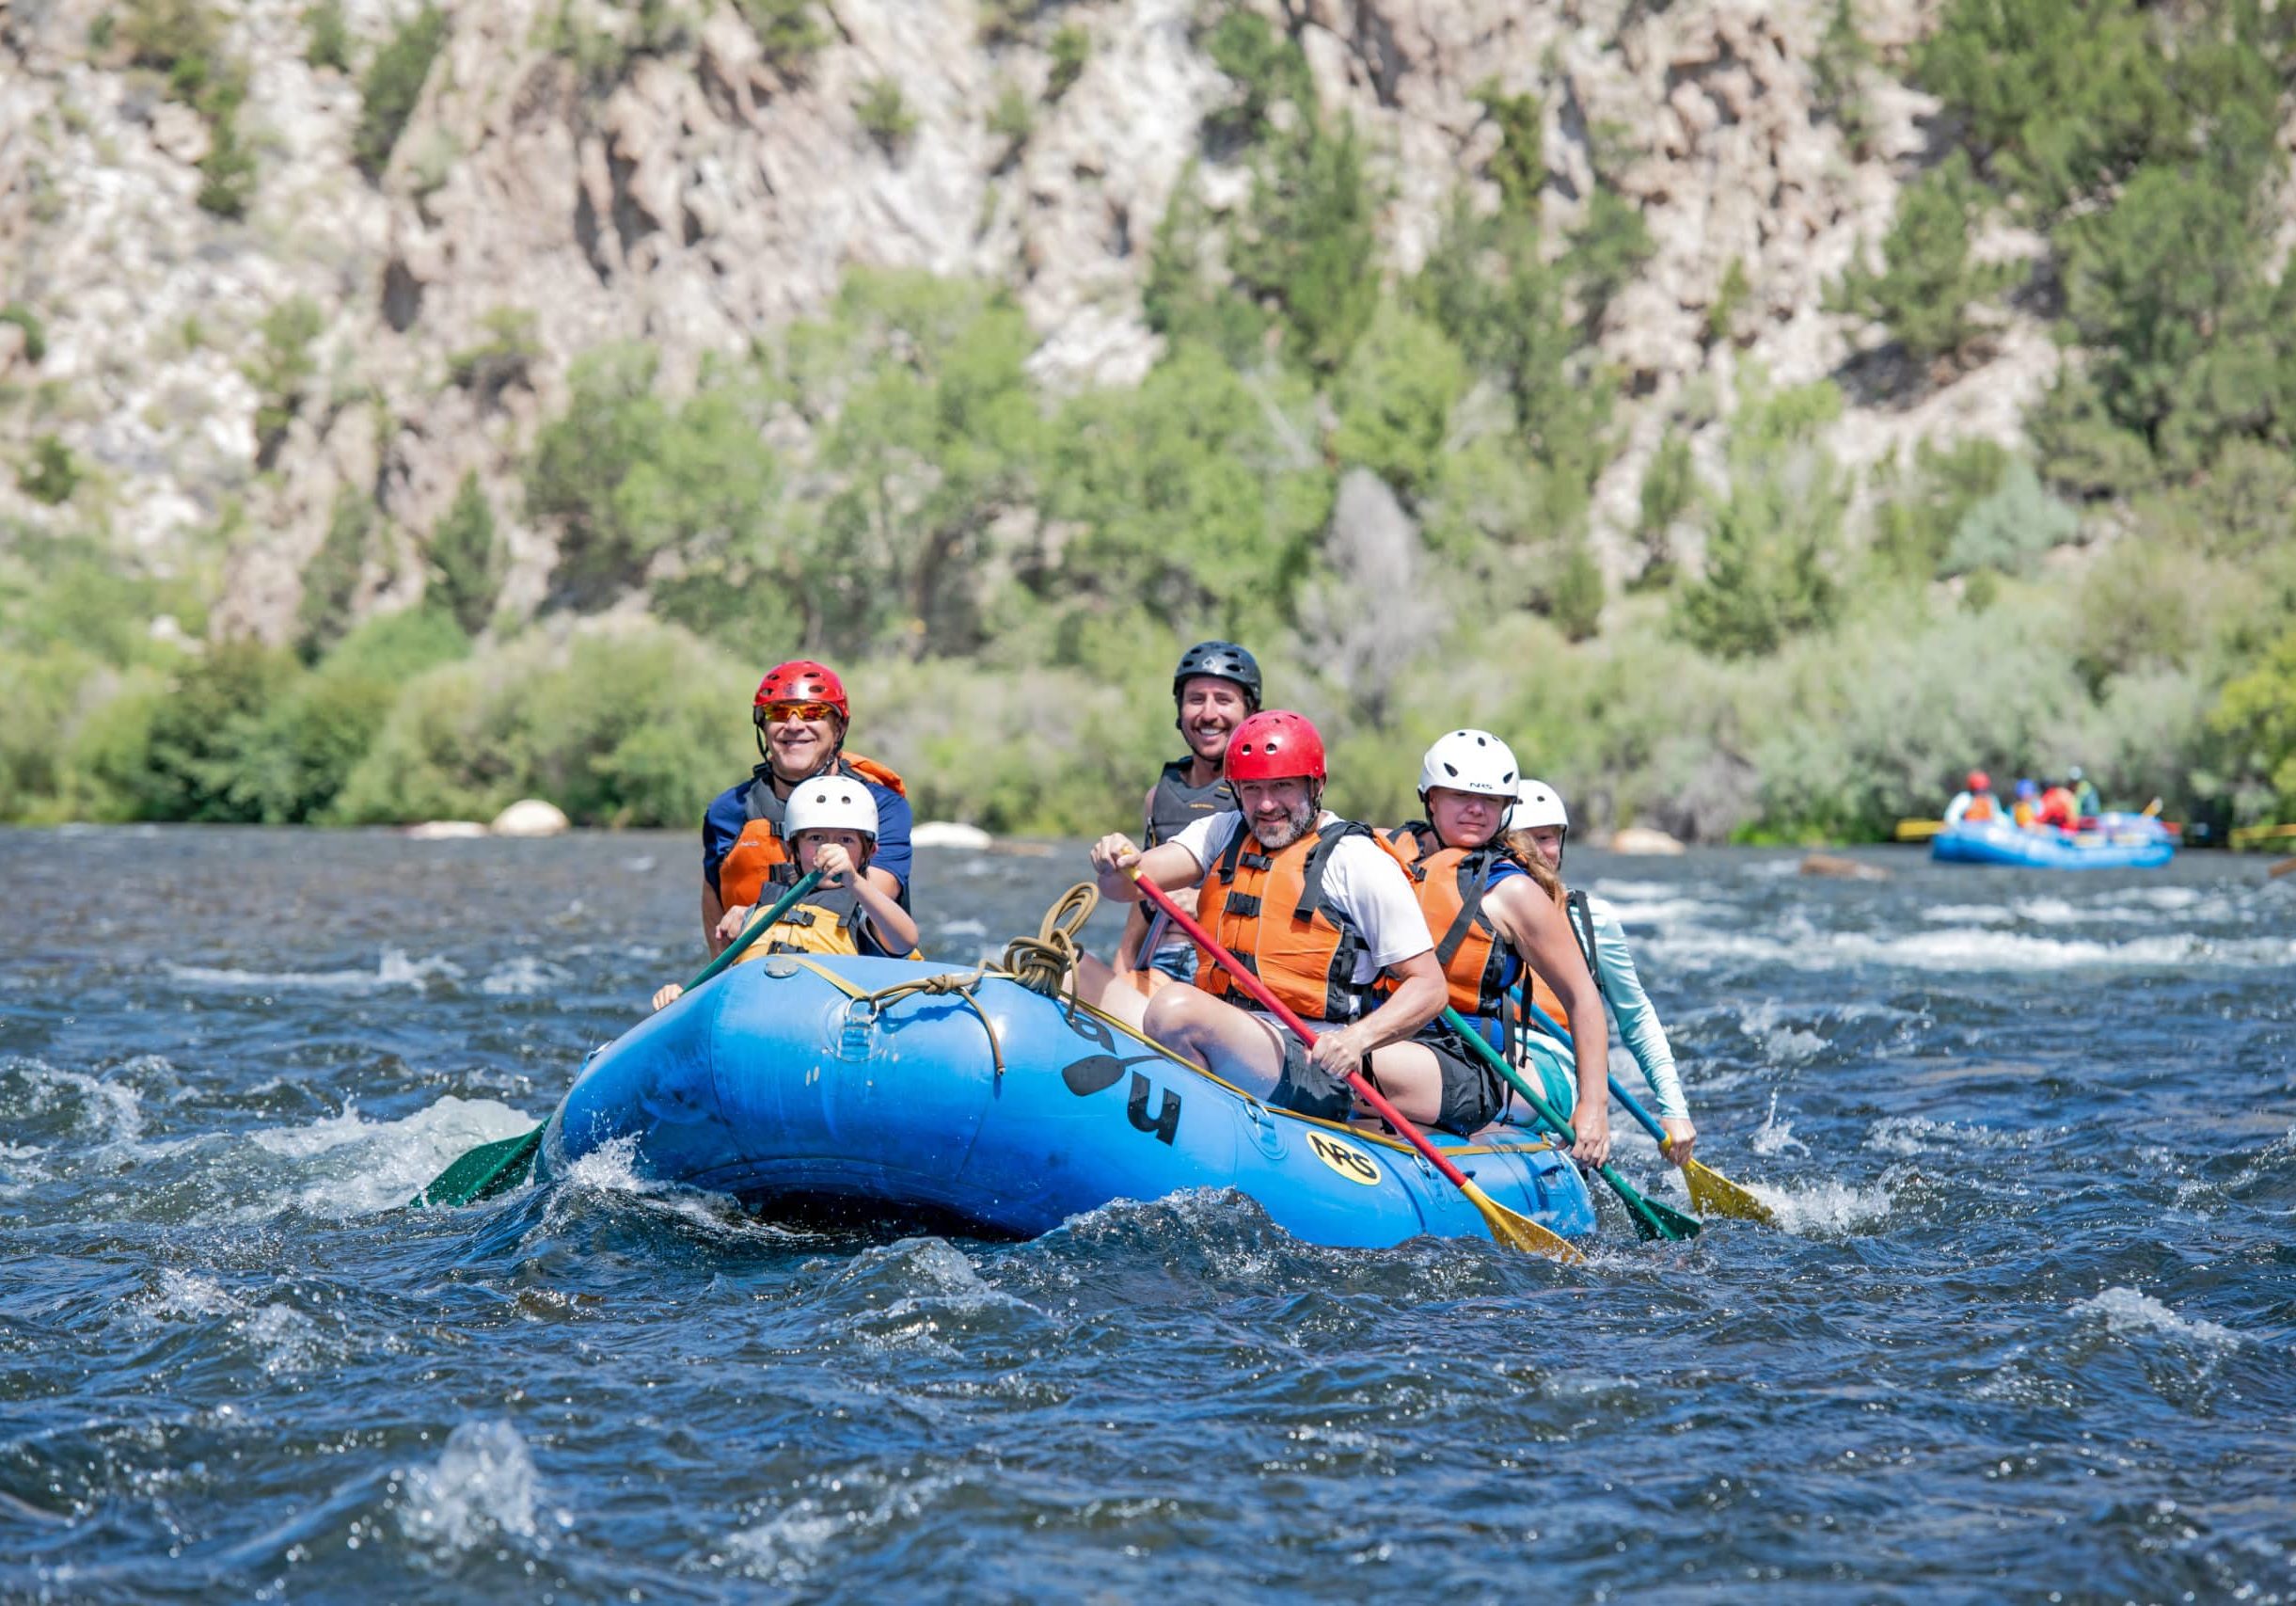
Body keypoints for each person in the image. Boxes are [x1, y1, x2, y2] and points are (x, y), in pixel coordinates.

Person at [1081, 711, 1611, 1159]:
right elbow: (1132, 882)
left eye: (1282, 787)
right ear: (1430, 801)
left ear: (1315, 787)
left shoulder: (1369, 861)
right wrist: (1116, 862)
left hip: (1350, 1048)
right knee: (1073, 971)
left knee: (1176, 1009)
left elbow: (1435, 989)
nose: (1266, 805)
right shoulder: (1228, 831)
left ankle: (1186, 1143)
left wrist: (1594, 1107)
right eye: (1253, 790)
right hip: (1253, 1025)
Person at [1382, 730, 1611, 1129]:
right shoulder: (1382, 854)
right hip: (1392, 1038)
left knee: (1324, 1065)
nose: (1476, 810)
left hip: (1474, 1059)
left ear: (1505, 808)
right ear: (1431, 799)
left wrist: (1594, 1107)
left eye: (1489, 800)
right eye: (1461, 796)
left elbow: (1582, 999)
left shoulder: (1515, 892)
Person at [1508, 778, 1698, 1166]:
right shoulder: (1477, 907)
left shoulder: (1591, 921)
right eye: (1523, 841)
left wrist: (1674, 1108)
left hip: (1554, 1064)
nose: (1537, 853)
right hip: (1494, 1048)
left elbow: (1637, 1017)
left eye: (1546, 838)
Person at [700, 660, 913, 957]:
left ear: (839, 727)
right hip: (758, 971)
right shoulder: (727, 811)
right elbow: (713, 893)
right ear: (763, 726)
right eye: (778, 713)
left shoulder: (881, 806)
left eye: (813, 712)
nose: (794, 726)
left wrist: (754, 915)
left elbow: (873, 894)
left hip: (853, 967)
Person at [654, 777, 920, 1010]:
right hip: (757, 1021)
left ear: (869, 853)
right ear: (792, 848)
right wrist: (681, 1000)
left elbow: (905, 940)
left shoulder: (866, 909)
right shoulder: (761, 909)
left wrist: (854, 881)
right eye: (815, 838)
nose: (830, 849)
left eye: (846, 840)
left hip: (829, 1026)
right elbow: (723, 984)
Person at [1113, 642, 1259, 983]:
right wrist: (1122, 963)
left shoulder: (1266, 799)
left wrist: (1205, 900)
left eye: (1224, 700)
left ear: (1250, 712)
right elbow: (1143, 893)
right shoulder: (1159, 796)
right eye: (1196, 700)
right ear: (1180, 711)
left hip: (1229, 967)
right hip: (1160, 956)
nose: (1209, 714)